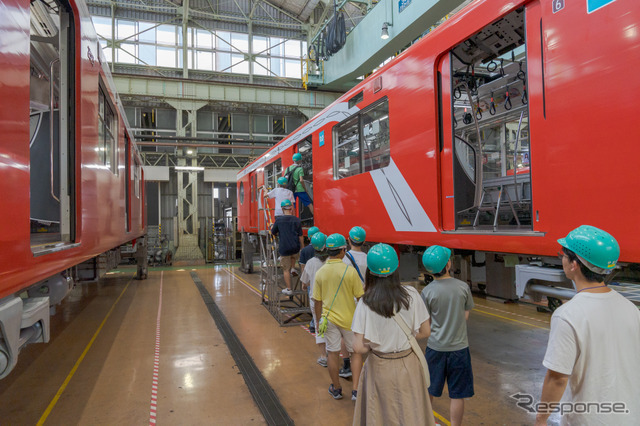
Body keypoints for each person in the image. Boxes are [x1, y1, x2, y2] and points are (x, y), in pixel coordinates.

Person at [535, 225, 640, 426]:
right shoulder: (631, 309)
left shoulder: (567, 315)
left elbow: (557, 378)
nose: (562, 259)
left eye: (563, 255)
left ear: (574, 264)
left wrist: (541, 419)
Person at [352, 243, 436, 425]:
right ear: (396, 268)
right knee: (411, 413)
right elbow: (426, 331)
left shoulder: (365, 302)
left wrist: (376, 341)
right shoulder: (412, 294)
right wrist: (405, 336)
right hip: (409, 364)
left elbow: (358, 347)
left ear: (370, 272)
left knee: (381, 416)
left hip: (380, 366)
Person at [421, 245, 474, 426]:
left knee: (429, 389)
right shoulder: (463, 287)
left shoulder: (427, 291)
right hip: (459, 348)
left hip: (435, 348)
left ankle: (428, 422)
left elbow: (425, 321)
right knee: (458, 394)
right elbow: (465, 316)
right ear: (448, 264)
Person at [313, 233, 364, 400]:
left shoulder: (320, 273)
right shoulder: (350, 272)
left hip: (329, 320)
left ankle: (336, 388)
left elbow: (317, 300)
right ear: (342, 251)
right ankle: (356, 390)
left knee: (332, 353)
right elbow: (360, 298)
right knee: (356, 353)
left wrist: (320, 319)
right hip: (350, 319)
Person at [339, 225, 367, 378]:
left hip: (348, 301)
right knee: (361, 333)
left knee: (345, 334)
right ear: (364, 241)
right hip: (364, 299)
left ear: (348, 240)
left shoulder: (344, 259)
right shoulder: (368, 258)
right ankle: (362, 362)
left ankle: (347, 365)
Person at [300, 231, 329, 367]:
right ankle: (336, 353)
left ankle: (324, 356)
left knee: (319, 326)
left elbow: (304, 282)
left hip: (316, 300)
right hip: (332, 300)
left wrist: (306, 285)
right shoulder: (332, 261)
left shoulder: (311, 263)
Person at [271, 199, 303, 296]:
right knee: (293, 256)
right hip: (295, 247)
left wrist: (274, 227)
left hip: (284, 248)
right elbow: (300, 236)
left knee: (286, 270)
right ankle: (293, 268)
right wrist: (302, 247)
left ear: (282, 209)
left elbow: (273, 232)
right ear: (291, 208)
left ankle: (289, 289)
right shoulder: (297, 220)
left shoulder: (279, 220)